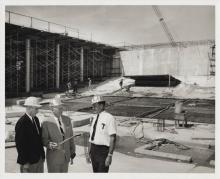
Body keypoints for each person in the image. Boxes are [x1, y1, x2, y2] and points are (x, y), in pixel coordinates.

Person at [41, 97, 76, 173]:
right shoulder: (46, 122)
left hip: (66, 158)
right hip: (53, 159)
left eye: (61, 107)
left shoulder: (67, 120)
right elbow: (43, 139)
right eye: (58, 108)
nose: (61, 110)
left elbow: (71, 137)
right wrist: (49, 144)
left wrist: (72, 151)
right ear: (52, 109)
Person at [86, 95, 117, 173]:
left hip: (103, 151)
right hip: (93, 150)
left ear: (101, 105)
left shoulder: (109, 118)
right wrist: (88, 152)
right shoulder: (94, 118)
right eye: (93, 106)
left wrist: (110, 155)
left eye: (95, 105)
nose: (93, 108)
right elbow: (91, 137)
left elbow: (112, 138)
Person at [15, 96, 45, 173]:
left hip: (39, 160)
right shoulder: (21, 123)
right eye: (36, 109)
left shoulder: (36, 119)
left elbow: (38, 139)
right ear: (29, 108)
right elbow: (20, 145)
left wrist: (42, 156)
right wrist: (25, 162)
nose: (38, 111)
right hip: (28, 162)